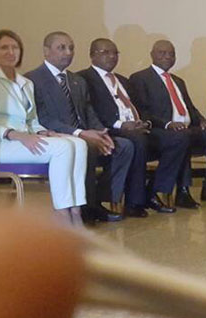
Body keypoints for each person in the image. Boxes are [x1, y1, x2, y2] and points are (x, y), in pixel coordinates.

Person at [0, 30, 86, 223]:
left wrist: (45, 132)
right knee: (62, 148)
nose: (11, 52)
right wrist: (17, 135)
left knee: (77, 143)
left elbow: (31, 121)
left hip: (23, 140)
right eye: (4, 47)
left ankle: (75, 210)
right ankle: (61, 214)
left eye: (15, 47)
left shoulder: (26, 83)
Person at [27, 31, 132, 223]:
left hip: (85, 133)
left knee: (124, 146)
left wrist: (102, 133)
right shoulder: (33, 79)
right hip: (59, 137)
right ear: (46, 51)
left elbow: (89, 112)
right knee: (86, 147)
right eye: (62, 48)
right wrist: (80, 133)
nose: (68, 52)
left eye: (71, 48)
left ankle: (98, 200)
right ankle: (85, 208)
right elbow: (43, 118)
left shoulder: (77, 80)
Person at [79, 38, 190, 218]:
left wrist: (145, 122)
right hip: (110, 128)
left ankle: (153, 191)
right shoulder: (84, 78)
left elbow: (140, 107)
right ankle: (133, 202)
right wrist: (121, 125)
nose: (112, 56)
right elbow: (91, 110)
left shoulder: (122, 80)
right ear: (92, 55)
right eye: (105, 52)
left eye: (115, 53)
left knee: (179, 138)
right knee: (138, 140)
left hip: (137, 128)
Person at [129, 40, 206, 208]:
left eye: (171, 53)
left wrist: (203, 121)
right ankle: (164, 190)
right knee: (181, 138)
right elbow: (142, 111)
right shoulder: (140, 78)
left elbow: (189, 107)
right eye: (162, 53)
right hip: (160, 131)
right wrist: (168, 124)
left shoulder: (178, 81)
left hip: (186, 129)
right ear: (152, 54)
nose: (167, 56)